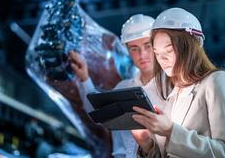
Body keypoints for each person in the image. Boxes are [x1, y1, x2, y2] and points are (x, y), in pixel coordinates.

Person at [132, 7, 225, 157]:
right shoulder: (174, 94)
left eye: (169, 51)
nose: (162, 60)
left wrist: (170, 130)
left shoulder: (216, 81)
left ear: (189, 47)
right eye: (157, 53)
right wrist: (146, 144)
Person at [69, 14, 165, 158]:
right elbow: (99, 114)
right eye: (134, 48)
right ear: (127, 50)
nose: (142, 54)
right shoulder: (123, 87)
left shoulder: (174, 87)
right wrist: (84, 78)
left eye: (148, 46)